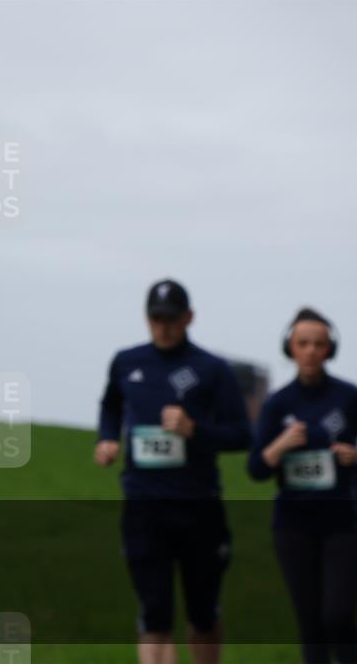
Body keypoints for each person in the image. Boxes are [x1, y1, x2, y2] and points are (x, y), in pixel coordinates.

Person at [95, 279, 251, 664]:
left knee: (202, 615)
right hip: (144, 507)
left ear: (189, 318)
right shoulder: (126, 362)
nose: (163, 326)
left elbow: (242, 434)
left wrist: (193, 430)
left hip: (198, 507)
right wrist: (107, 438)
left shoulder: (212, 370)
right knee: (154, 616)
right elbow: (111, 405)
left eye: (171, 318)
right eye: (155, 317)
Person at [248, 308, 357, 664]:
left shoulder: (350, 397)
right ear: (290, 348)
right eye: (303, 343)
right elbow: (256, 469)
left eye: (319, 344)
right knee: (310, 624)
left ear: (330, 349)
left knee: (337, 615)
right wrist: (280, 446)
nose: (311, 351)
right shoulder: (277, 404)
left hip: (345, 524)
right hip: (294, 526)